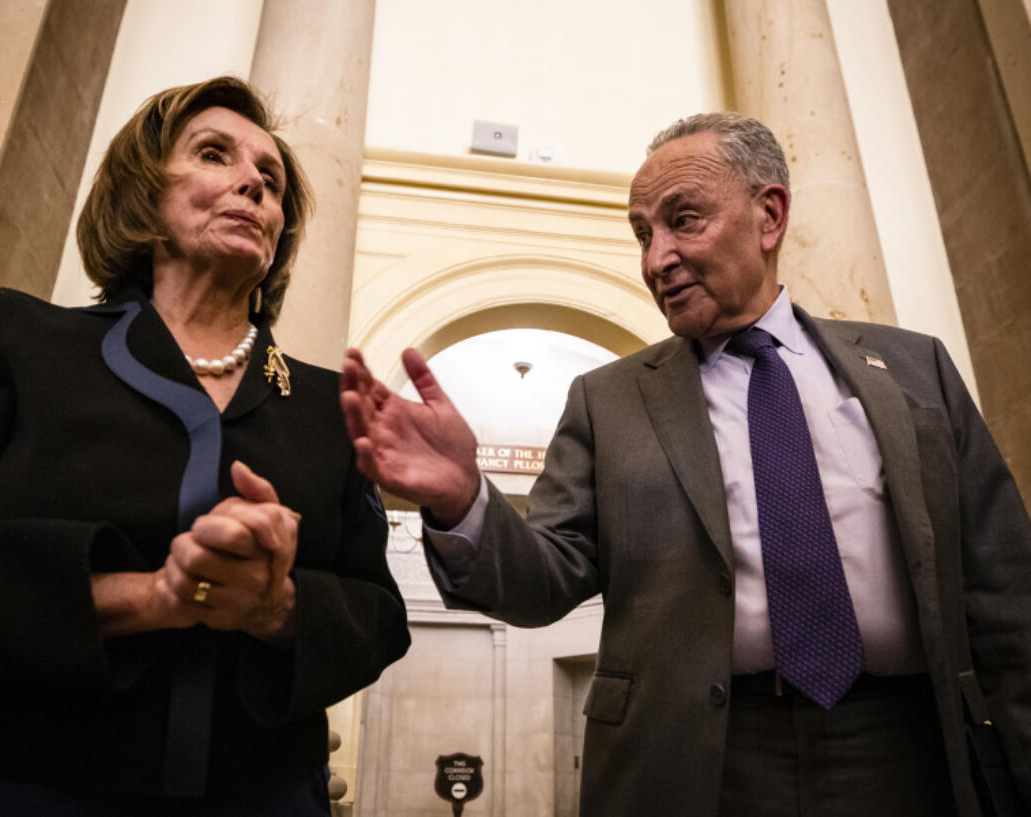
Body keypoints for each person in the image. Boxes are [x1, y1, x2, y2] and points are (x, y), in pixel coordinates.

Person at [341, 113, 1031, 816]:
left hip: (905, 747)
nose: (655, 259)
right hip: (696, 760)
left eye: (684, 221)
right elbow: (544, 580)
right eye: (643, 233)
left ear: (769, 216)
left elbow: (1006, 596)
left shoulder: (916, 371)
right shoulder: (607, 401)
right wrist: (464, 502)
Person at [0, 76, 409, 816]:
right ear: (142, 191)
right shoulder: (20, 339)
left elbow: (382, 618)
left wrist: (278, 606)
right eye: (214, 154)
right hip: (5, 792)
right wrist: (143, 596)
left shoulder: (329, 405)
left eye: (271, 178)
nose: (252, 181)